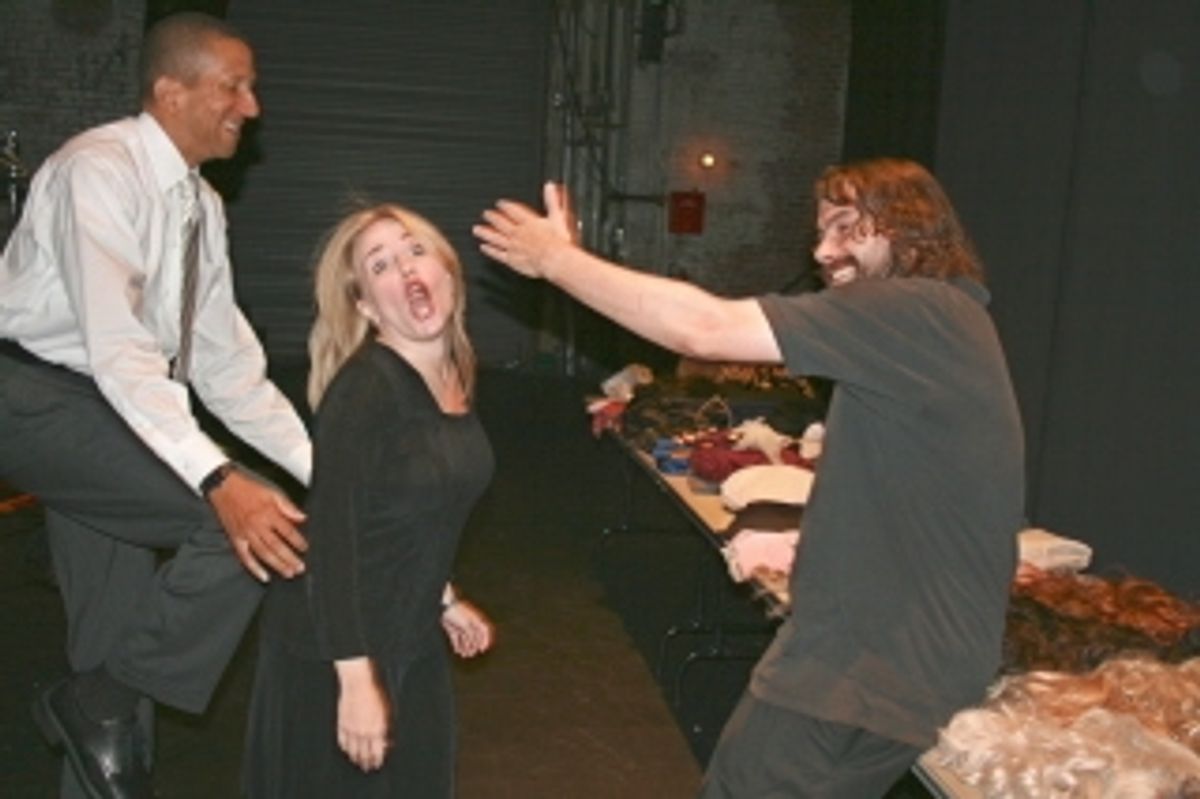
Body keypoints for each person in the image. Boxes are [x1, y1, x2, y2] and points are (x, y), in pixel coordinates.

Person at [475, 158, 1026, 797]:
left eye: (846, 228)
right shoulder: (939, 327)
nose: (824, 252)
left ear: (907, 228)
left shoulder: (919, 311)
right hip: (886, 671)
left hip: (857, 676)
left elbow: (703, 329)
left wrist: (557, 262)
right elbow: (916, 494)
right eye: (820, 233)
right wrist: (808, 543)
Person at [0, 13, 312, 798]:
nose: (251, 106)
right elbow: (118, 349)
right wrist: (221, 480)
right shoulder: (97, 171)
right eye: (233, 86)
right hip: (31, 395)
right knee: (241, 527)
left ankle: (99, 725)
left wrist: (328, 472)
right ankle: (95, 703)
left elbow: (228, 371)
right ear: (171, 92)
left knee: (118, 646)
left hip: (102, 410)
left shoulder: (199, 207)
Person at [242, 203, 495, 797]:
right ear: (365, 305)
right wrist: (355, 682)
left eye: (414, 250)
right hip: (335, 646)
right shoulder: (364, 391)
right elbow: (334, 540)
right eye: (380, 265)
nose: (405, 269)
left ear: (447, 272)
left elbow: (408, 513)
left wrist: (445, 598)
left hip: (409, 633)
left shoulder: (453, 376)